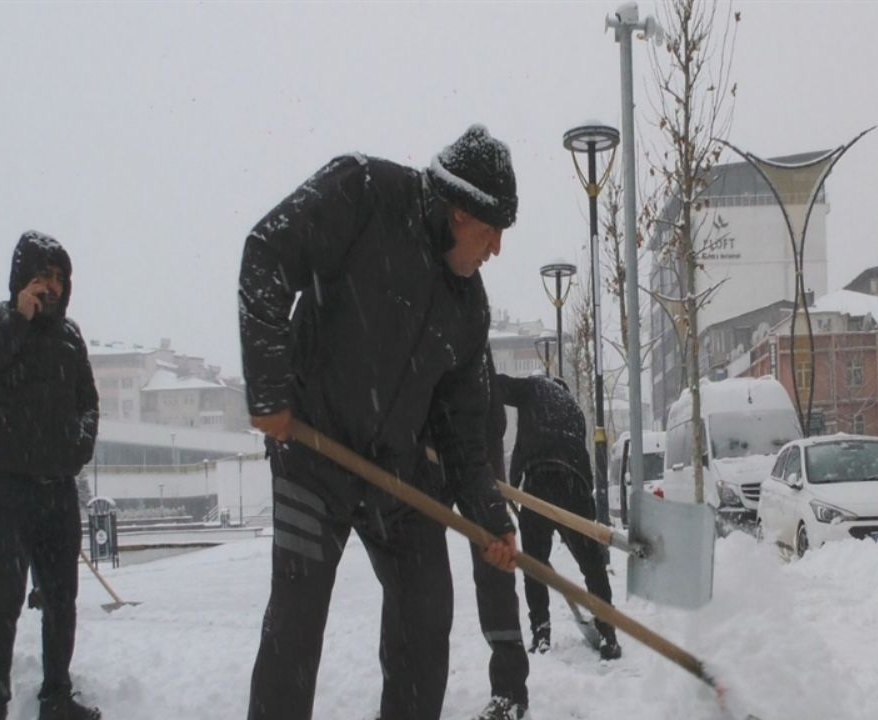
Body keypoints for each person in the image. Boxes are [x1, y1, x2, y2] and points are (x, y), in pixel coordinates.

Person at [239, 125, 520, 720]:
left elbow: (465, 432)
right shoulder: (363, 192)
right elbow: (266, 251)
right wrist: (268, 389)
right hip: (312, 454)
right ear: (460, 210)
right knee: (296, 622)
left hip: (398, 476)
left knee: (426, 614)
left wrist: (491, 520)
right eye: (492, 230)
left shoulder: (469, 308)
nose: (495, 249)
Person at [0, 231, 101, 720]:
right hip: (10, 489)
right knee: (4, 599)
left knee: (63, 600)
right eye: (43, 276)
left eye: (59, 277)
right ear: (23, 278)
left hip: (59, 489)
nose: (52, 286)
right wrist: (17, 320)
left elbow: (88, 401)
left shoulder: (69, 336)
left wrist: (79, 447)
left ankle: (56, 698)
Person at [497, 374, 622, 661]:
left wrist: (513, 489)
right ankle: (608, 634)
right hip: (574, 487)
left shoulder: (531, 388)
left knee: (534, 565)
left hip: (539, 483)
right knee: (592, 565)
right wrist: (587, 524)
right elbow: (583, 458)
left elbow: (500, 387)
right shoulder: (575, 410)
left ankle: (541, 633)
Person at [451, 349, 529, 720]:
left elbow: (490, 413)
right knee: (412, 576)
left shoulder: (463, 315)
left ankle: (510, 691)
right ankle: (407, 694)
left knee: (494, 561)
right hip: (417, 449)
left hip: (476, 441)